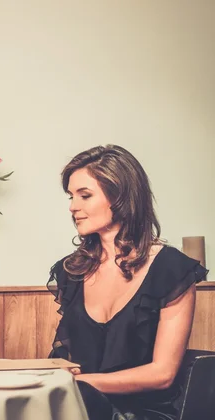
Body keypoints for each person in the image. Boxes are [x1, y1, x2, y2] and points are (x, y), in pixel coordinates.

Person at [48, 145, 208, 420]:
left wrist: (79, 384)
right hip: (82, 406)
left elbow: (162, 374)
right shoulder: (70, 271)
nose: (73, 207)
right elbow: (63, 363)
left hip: (144, 413)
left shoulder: (172, 269)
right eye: (71, 196)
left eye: (85, 195)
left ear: (120, 196)